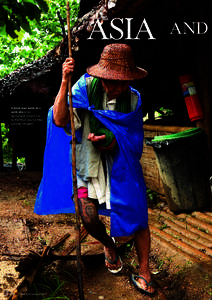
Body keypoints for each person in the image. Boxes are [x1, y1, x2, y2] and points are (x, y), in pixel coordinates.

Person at [34, 43, 155, 295]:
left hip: (122, 166)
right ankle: (109, 245)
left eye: (122, 81)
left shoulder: (133, 98)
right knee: (88, 217)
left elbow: (132, 138)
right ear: (100, 74)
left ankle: (144, 271)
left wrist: (111, 141)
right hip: (87, 164)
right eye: (111, 80)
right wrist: (65, 81)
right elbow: (58, 119)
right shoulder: (83, 88)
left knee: (139, 217)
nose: (117, 86)